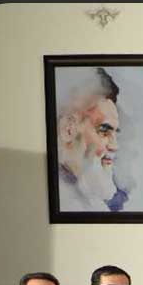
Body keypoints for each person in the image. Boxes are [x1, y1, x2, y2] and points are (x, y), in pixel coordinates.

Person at [55, 67, 129, 212]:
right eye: (104, 131)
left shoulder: (92, 202)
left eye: (115, 133)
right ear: (68, 130)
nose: (115, 146)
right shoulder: (62, 200)